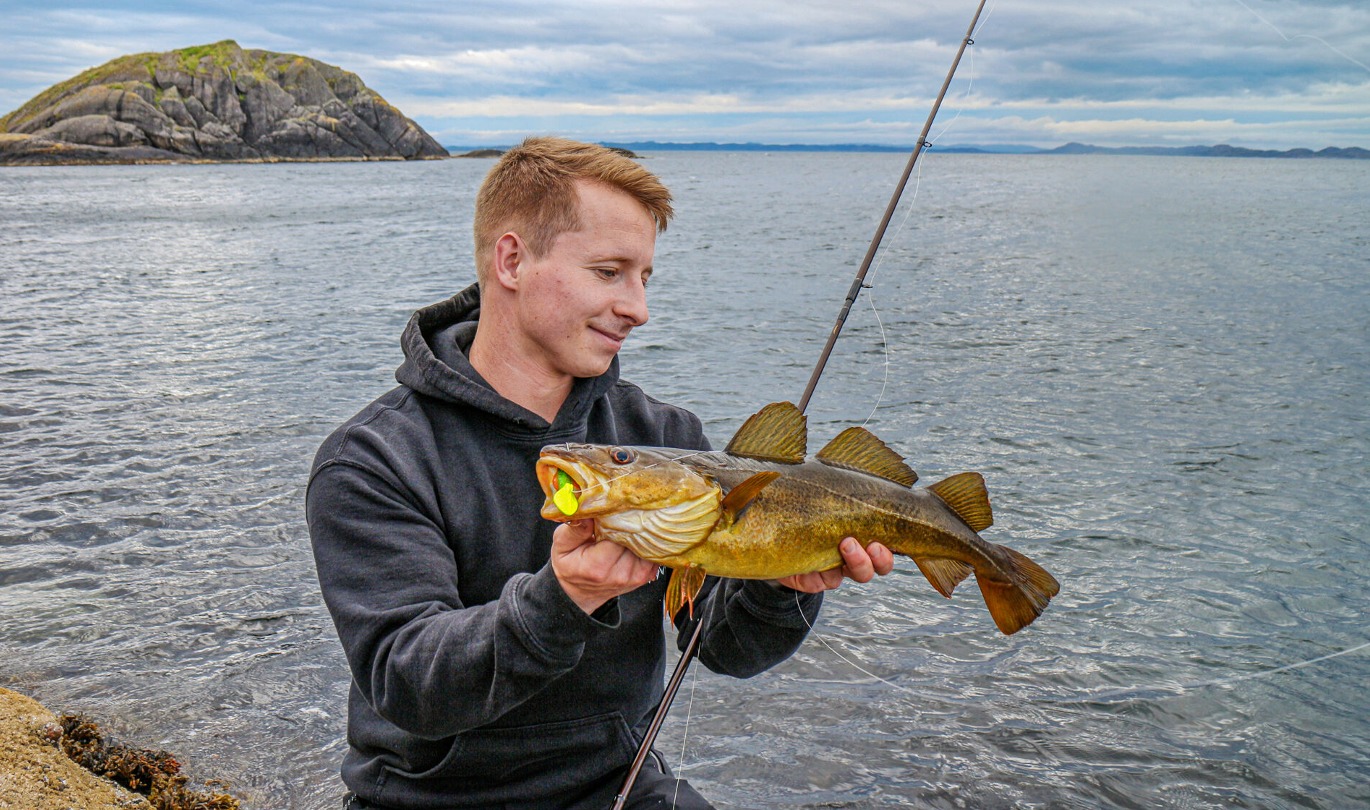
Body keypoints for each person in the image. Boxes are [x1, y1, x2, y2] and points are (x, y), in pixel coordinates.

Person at [306, 136, 894, 810]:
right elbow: (406, 681)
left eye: (645, 277)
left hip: (618, 785)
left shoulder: (667, 441)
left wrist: (781, 586)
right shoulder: (374, 460)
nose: (638, 308)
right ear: (512, 259)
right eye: (610, 272)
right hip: (425, 801)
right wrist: (563, 600)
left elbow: (726, 649)